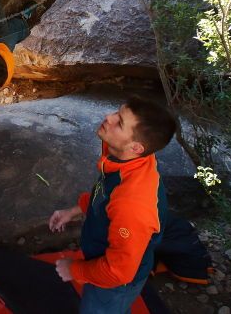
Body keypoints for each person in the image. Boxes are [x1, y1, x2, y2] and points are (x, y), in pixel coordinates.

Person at [48, 97, 177, 314]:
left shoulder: (133, 205)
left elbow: (118, 272)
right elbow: (106, 194)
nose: (108, 118)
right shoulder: (122, 153)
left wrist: (74, 269)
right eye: (117, 113)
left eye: (119, 123)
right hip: (107, 257)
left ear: (136, 147)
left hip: (116, 282)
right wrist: (74, 210)